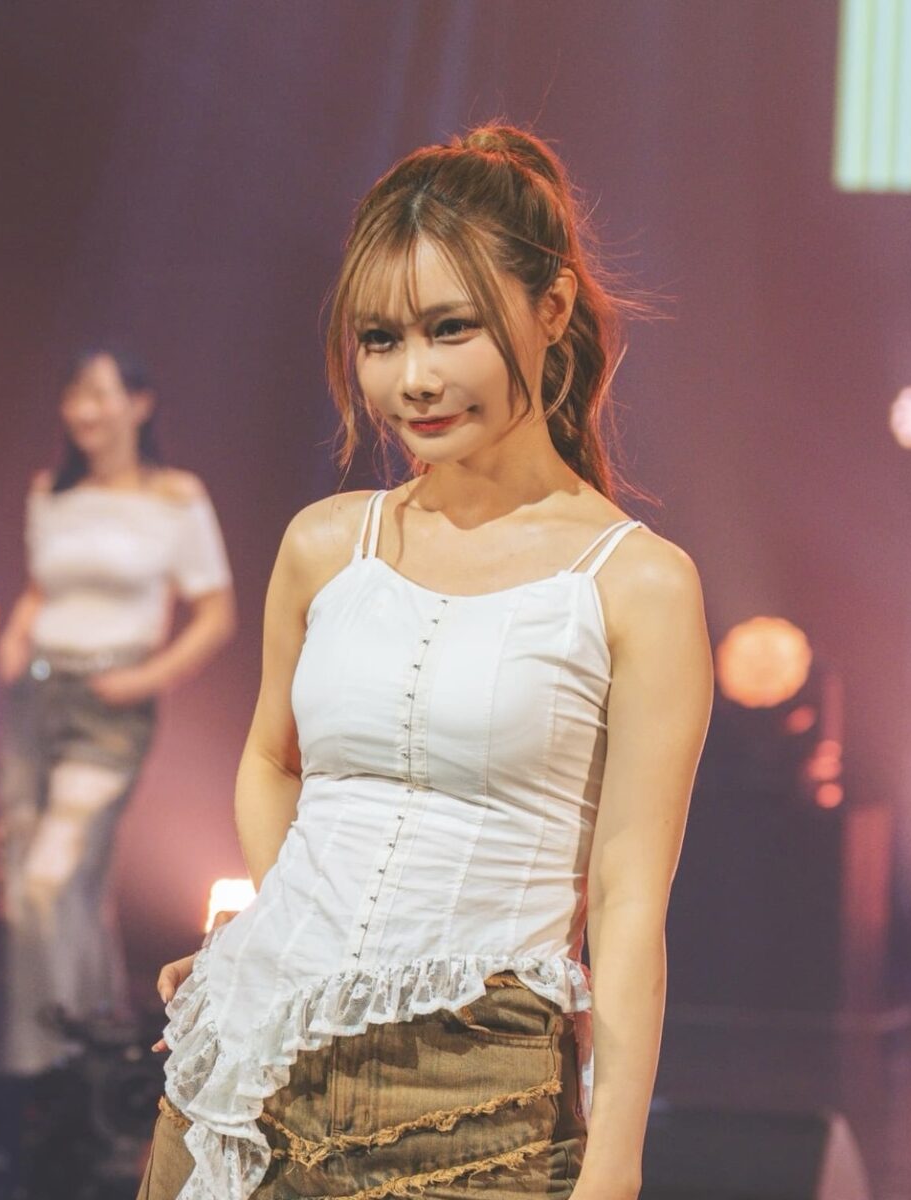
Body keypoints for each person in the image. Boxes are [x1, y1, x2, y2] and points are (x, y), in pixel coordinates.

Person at [138, 126, 712, 1200]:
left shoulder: (637, 584)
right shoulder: (325, 544)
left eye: (452, 329)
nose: (415, 379)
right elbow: (271, 761)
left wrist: (614, 1164)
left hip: (477, 1097)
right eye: (381, 339)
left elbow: (630, 899)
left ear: (552, 309)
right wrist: (287, 934)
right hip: (249, 1071)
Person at [0, 349, 237, 1075]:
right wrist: (13, 641)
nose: (84, 410)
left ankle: (51, 1063)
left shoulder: (175, 496)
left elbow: (216, 613)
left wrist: (145, 678)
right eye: (74, 394)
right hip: (37, 695)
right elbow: (42, 588)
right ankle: (86, 1051)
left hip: (110, 706)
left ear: (139, 403)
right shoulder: (51, 491)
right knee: (42, 888)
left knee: (50, 879)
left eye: (100, 394)